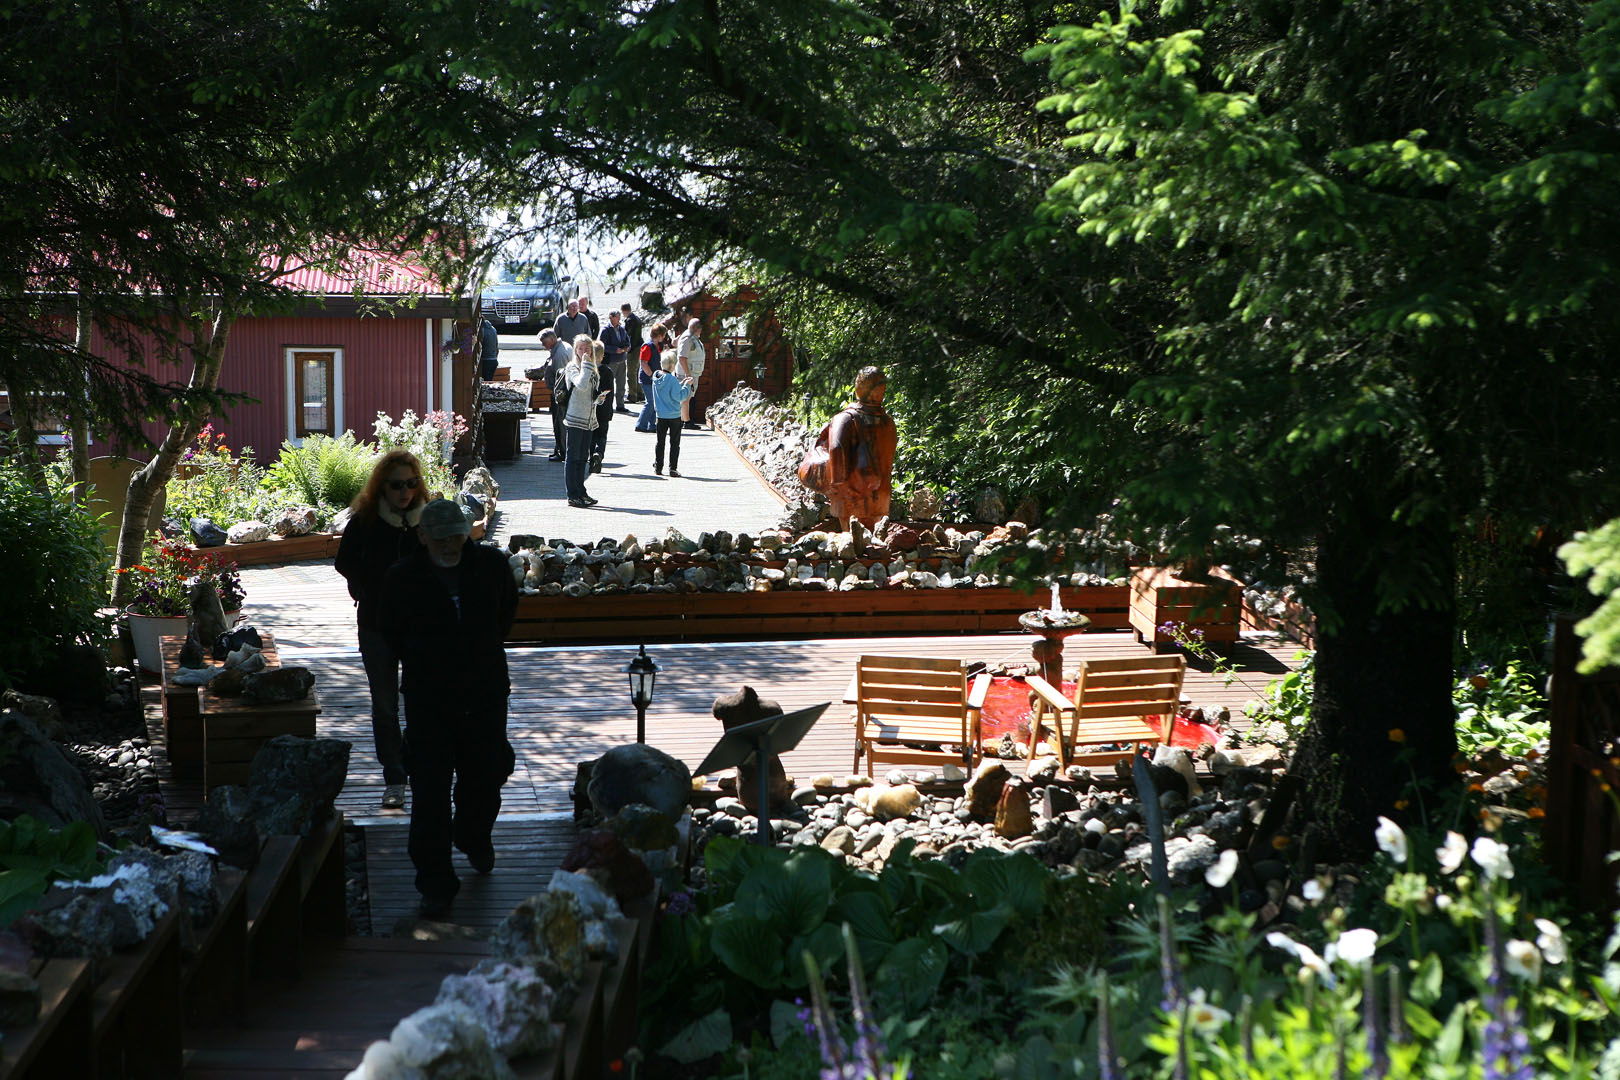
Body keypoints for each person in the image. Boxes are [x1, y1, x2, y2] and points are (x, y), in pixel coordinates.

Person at [378, 498, 518, 918]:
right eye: (440, 537)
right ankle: (435, 882)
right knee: (430, 794)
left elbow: (505, 614)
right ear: (423, 537)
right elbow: (391, 631)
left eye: (457, 534)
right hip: (430, 701)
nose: (450, 544)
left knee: (486, 778)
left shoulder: (491, 566)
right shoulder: (403, 578)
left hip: (486, 695)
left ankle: (474, 837)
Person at [334, 450, 427, 811]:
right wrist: (365, 589)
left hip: (420, 628)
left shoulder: (427, 519)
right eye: (396, 485)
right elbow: (344, 563)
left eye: (411, 483)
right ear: (381, 487)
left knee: (420, 699)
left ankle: (417, 764)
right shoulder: (366, 522)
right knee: (385, 704)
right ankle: (394, 775)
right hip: (376, 624)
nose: (405, 491)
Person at [800, 365, 899, 527]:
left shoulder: (845, 419)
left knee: (854, 542)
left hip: (852, 494)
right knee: (874, 540)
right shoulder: (887, 422)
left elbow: (836, 449)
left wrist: (840, 486)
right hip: (875, 494)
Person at [564, 334, 609, 507]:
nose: (584, 351)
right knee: (573, 457)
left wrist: (598, 399)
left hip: (589, 419)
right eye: (581, 348)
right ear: (575, 350)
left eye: (587, 348)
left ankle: (581, 491)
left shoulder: (591, 366)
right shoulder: (572, 367)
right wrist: (586, 364)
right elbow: (581, 385)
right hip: (575, 418)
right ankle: (572, 494)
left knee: (583, 458)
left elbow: (589, 392)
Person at [652, 347, 695, 477]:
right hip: (674, 415)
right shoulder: (671, 379)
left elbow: (670, 389)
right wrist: (687, 385)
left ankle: (658, 467)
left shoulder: (656, 377)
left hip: (660, 415)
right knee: (674, 443)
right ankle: (673, 468)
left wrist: (680, 384)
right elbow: (680, 396)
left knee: (660, 442)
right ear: (672, 365)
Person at [535, 328, 573, 462]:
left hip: (561, 395)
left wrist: (558, 396)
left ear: (552, 340)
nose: (543, 346)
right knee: (560, 423)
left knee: (560, 424)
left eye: (544, 342)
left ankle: (562, 451)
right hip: (562, 394)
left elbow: (561, 378)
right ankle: (560, 449)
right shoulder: (562, 347)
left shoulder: (560, 354)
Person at [634, 323, 668, 433]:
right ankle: (640, 425)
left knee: (655, 402)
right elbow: (644, 363)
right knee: (650, 402)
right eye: (663, 335)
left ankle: (652, 425)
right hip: (647, 379)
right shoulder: (647, 346)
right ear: (659, 335)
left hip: (653, 378)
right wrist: (651, 375)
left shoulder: (655, 346)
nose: (664, 338)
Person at [675, 317, 706, 429]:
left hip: (693, 373)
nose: (701, 330)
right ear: (694, 328)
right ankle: (686, 422)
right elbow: (682, 357)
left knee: (688, 397)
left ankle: (686, 421)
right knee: (685, 397)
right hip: (687, 374)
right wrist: (688, 375)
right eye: (699, 328)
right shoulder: (687, 338)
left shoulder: (693, 337)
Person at [599, 309, 632, 413]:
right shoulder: (606, 330)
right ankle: (606, 405)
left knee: (621, 384)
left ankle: (620, 405)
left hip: (621, 360)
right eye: (617, 317)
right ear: (611, 318)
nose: (619, 319)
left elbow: (627, 340)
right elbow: (602, 346)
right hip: (611, 361)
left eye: (619, 317)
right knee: (608, 384)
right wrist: (614, 350)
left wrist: (627, 347)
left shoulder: (621, 329)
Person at [621, 303, 645, 403]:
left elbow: (629, 335)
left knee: (631, 372)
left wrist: (627, 347)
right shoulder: (637, 318)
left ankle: (632, 395)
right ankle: (640, 394)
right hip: (639, 346)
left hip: (633, 348)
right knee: (636, 371)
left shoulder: (630, 320)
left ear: (624, 310)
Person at [478, 317, 500, 381]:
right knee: (489, 381)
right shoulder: (493, 329)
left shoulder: (482, 330)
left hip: (485, 360)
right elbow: (496, 346)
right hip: (494, 360)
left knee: (484, 383)